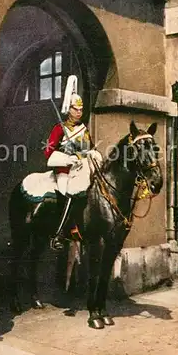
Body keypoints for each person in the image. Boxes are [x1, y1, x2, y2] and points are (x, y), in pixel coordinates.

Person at [44, 75, 102, 250]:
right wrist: (67, 159)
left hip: (83, 170)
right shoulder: (59, 129)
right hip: (64, 170)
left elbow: (90, 148)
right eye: (75, 109)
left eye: (81, 109)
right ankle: (59, 233)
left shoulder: (84, 130)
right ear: (68, 109)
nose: (79, 112)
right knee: (66, 194)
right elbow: (48, 151)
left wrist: (93, 154)